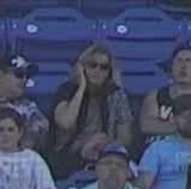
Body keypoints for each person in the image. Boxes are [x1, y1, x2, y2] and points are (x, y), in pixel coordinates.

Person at [47, 44, 133, 178]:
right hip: (68, 156)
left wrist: (106, 143)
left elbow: (125, 138)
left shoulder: (116, 94)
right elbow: (66, 123)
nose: (97, 70)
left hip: (104, 153)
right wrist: (82, 87)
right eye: (92, 65)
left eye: (103, 67)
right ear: (82, 67)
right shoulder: (67, 90)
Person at [139, 46, 191, 142]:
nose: (183, 66)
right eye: (179, 61)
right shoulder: (155, 95)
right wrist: (185, 127)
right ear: (171, 67)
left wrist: (166, 126)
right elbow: (146, 126)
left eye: (189, 61)